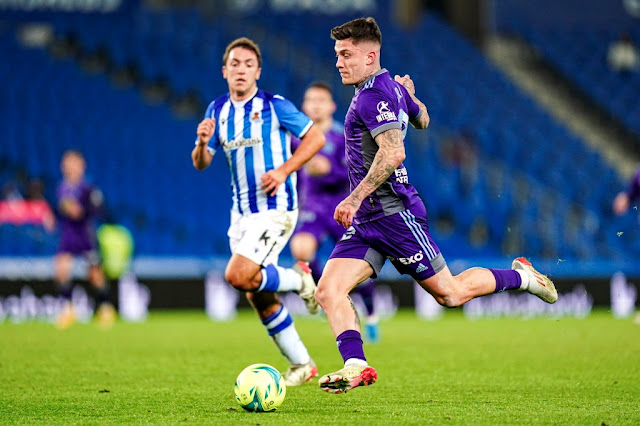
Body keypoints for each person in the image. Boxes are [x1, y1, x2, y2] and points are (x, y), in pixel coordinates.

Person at [314, 17, 558, 394]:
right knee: (328, 291)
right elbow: (424, 119)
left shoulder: (374, 95)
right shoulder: (388, 87)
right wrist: (409, 99)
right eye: (337, 55)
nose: (339, 62)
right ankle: (356, 365)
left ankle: (523, 276)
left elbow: (393, 152)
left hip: (395, 215)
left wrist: (354, 195)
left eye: (346, 54)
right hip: (368, 222)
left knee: (451, 294)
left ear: (370, 55)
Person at [191, 37, 326, 386]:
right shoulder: (216, 110)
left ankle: (299, 280)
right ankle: (302, 364)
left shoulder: (275, 105)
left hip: (276, 208)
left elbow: (315, 140)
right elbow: (201, 164)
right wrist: (203, 144)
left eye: (248, 64)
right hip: (242, 215)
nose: (241, 69)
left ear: (258, 71)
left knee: (237, 275)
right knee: (256, 292)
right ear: (224, 71)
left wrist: (283, 171)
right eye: (234, 63)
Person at [290, 81, 380, 342]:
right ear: (305, 106)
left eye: (321, 101)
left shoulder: (344, 137)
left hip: (343, 208)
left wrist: (329, 170)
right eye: (310, 101)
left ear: (331, 106)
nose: (315, 105)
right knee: (301, 251)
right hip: (312, 207)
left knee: (355, 272)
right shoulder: (298, 139)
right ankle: (326, 294)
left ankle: (372, 314)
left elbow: (355, 175)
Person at [54, 150, 116, 329]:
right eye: (67, 164)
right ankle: (67, 309)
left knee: (94, 274)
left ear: (81, 166)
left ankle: (105, 307)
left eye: (73, 164)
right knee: (62, 269)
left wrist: (77, 209)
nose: (70, 167)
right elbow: (63, 209)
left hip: (85, 234)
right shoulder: (61, 187)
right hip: (68, 234)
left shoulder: (88, 188)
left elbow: (93, 210)